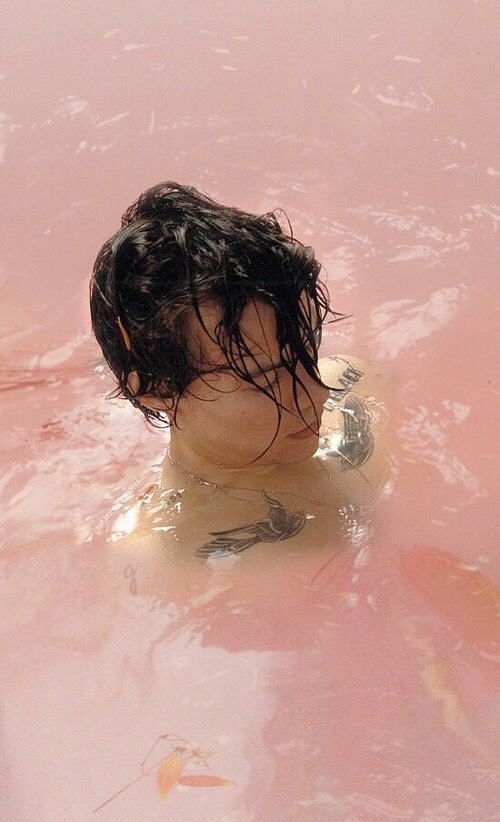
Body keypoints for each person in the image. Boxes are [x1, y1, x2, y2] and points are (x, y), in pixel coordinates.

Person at [90, 181, 393, 566]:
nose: (317, 394)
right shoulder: (168, 561)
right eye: (264, 379)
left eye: (307, 350)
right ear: (157, 390)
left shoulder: (360, 383)